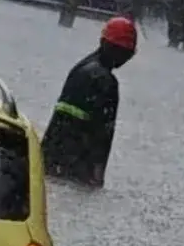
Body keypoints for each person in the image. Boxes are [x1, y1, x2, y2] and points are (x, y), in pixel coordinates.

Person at [41, 15, 138, 187]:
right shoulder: (107, 81)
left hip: (51, 155)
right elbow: (103, 134)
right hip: (77, 164)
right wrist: (96, 176)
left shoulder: (80, 68)